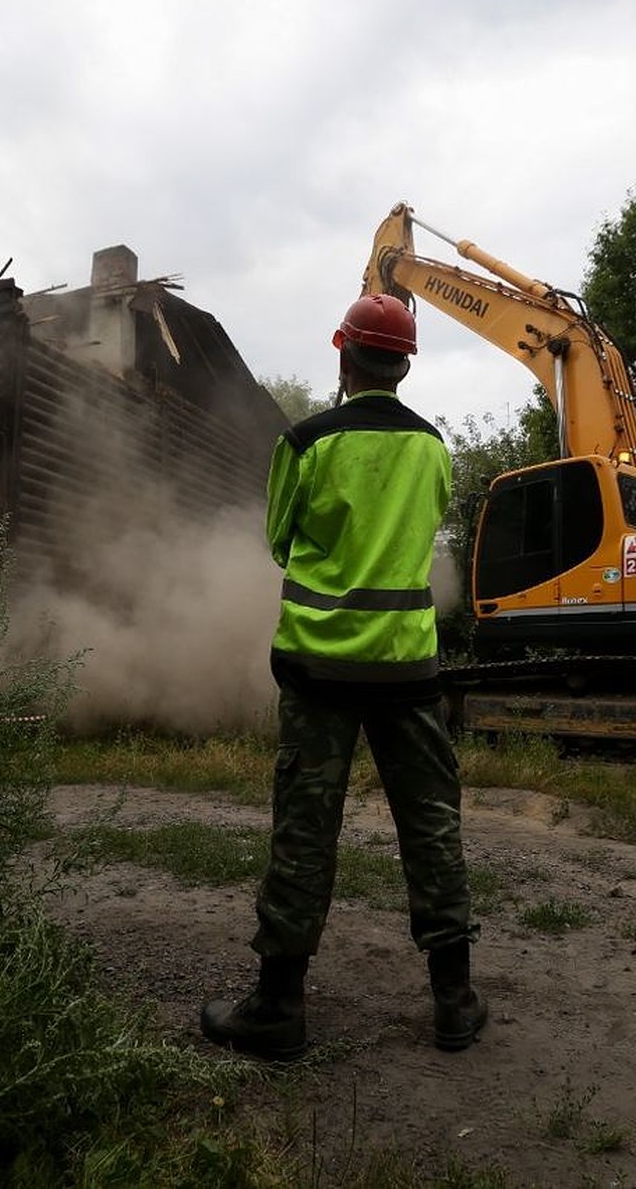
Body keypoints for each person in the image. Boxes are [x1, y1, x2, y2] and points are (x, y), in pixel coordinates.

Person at [200, 293, 486, 1059]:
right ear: (404, 363)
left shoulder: (305, 441)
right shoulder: (433, 448)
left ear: (343, 354)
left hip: (320, 669)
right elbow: (421, 534)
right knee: (430, 827)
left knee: (304, 832)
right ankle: (454, 1001)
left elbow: (278, 543)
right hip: (407, 673)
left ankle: (279, 1008)